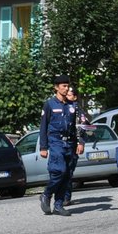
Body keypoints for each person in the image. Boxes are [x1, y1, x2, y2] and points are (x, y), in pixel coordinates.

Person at [38, 75, 84, 216]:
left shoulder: (72, 105)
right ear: (56, 87)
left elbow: (80, 125)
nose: (66, 88)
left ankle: (58, 205)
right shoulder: (50, 104)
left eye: (67, 86)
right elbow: (43, 126)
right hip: (56, 142)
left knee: (67, 175)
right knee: (60, 171)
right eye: (63, 86)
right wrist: (43, 147)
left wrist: (80, 142)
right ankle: (46, 194)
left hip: (70, 143)